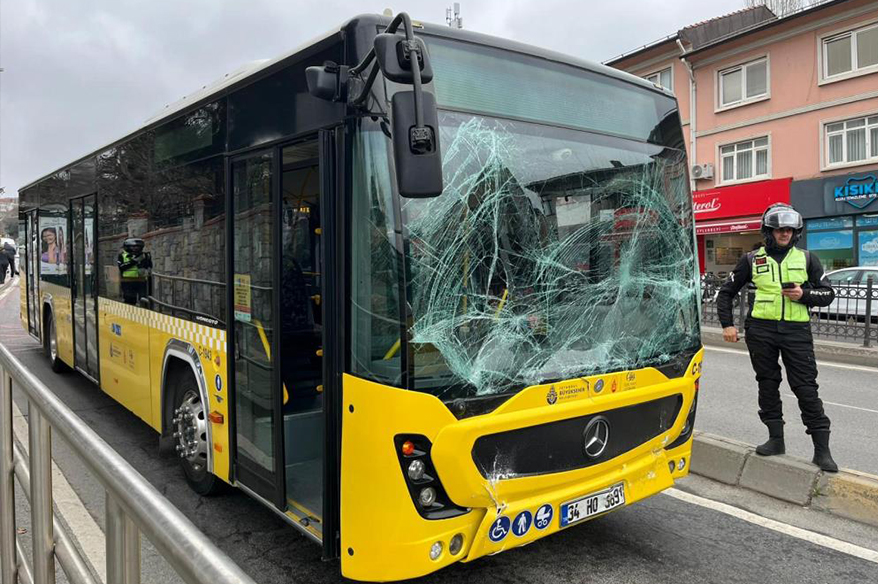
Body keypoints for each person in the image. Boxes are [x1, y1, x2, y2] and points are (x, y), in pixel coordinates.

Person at [717, 203, 838, 472]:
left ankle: (822, 450)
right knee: (767, 383)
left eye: (789, 230)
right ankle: (775, 439)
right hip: (761, 331)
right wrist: (727, 325)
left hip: (797, 332)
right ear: (768, 232)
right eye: (779, 229)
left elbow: (828, 294)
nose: (784, 233)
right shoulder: (751, 259)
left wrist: (804, 295)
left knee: (805, 387)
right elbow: (726, 293)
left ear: (795, 232)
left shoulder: (808, 259)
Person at [117, 238, 152, 305]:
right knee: (129, 300)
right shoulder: (122, 255)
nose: (135, 248)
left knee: (143, 300)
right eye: (133, 247)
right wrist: (134, 261)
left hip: (141, 281)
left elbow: (149, 266)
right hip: (127, 281)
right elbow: (121, 267)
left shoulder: (145, 255)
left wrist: (145, 267)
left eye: (138, 247)